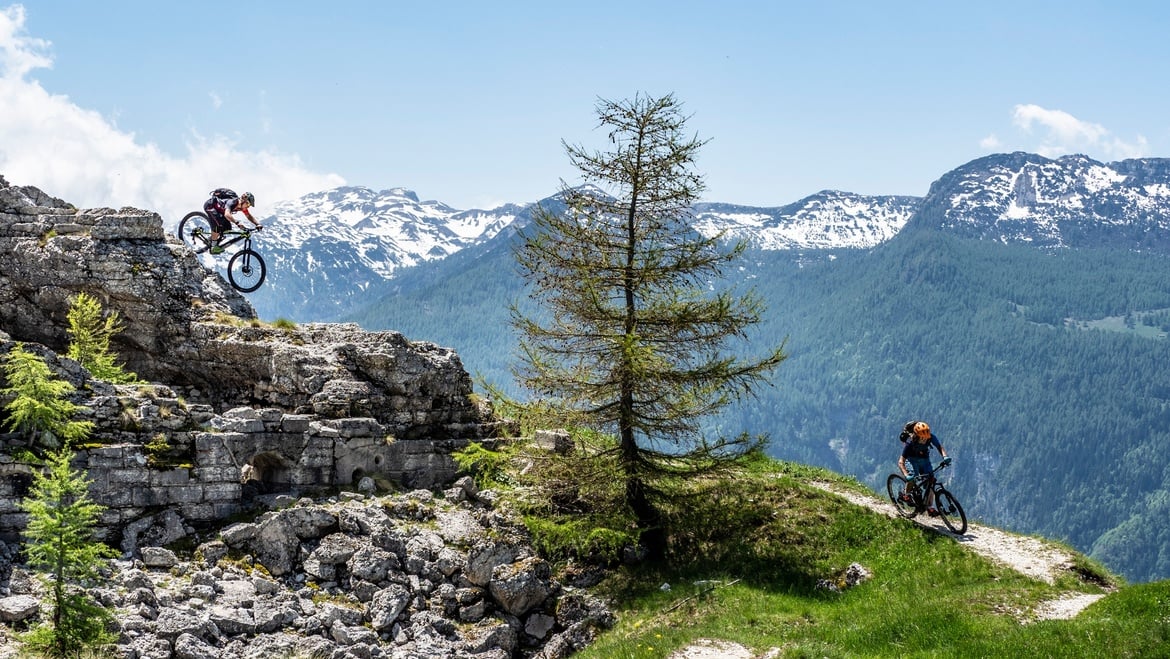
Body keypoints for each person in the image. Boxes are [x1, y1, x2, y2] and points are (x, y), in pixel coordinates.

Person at [898, 421, 951, 516]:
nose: (924, 440)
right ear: (916, 435)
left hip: (925, 460)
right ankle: (906, 495)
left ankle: (929, 507)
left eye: (925, 438)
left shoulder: (930, 437)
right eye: (921, 438)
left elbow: (939, 446)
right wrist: (906, 475)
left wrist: (945, 456)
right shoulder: (910, 443)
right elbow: (901, 461)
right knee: (913, 477)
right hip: (911, 460)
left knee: (931, 481)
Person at [204, 189, 261, 254]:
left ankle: (211, 239)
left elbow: (248, 216)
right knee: (218, 224)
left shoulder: (240, 207)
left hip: (219, 211)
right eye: (248, 204)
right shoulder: (233, 202)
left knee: (227, 228)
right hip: (210, 206)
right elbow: (227, 214)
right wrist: (237, 222)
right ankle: (213, 247)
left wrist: (257, 224)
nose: (248, 207)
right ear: (243, 200)